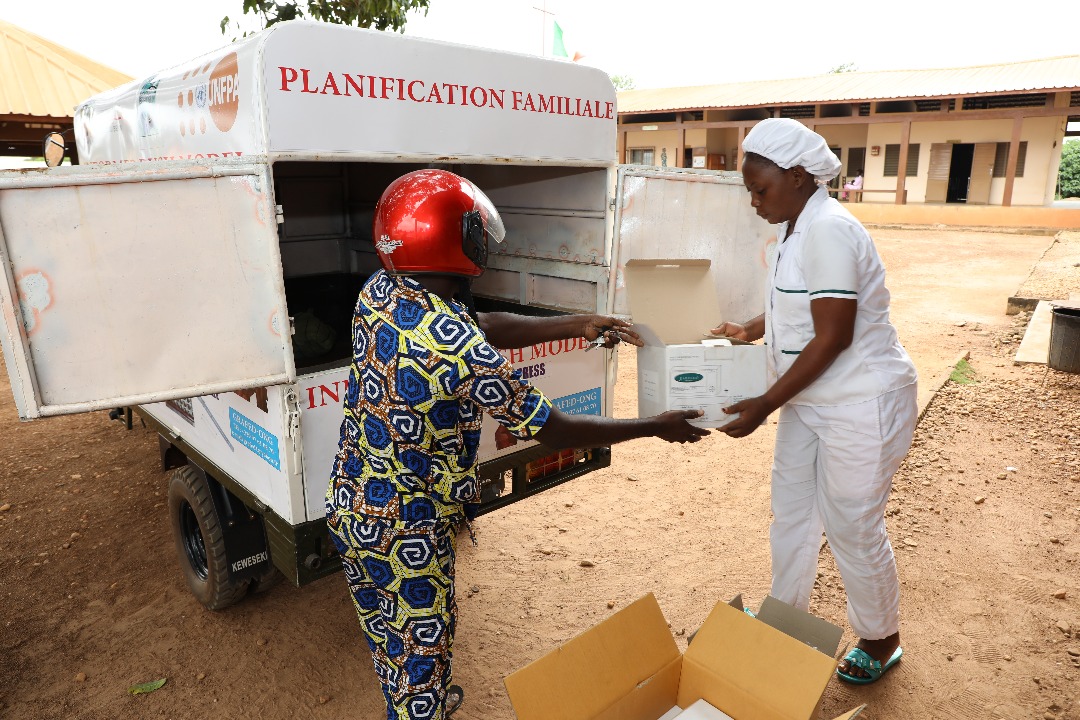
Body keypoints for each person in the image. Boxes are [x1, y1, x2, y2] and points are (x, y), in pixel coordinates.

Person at [327, 168, 710, 719]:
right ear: (449, 240)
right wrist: (654, 425)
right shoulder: (455, 349)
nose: (482, 240)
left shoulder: (382, 291)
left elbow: (479, 324)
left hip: (353, 505)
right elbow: (553, 428)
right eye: (473, 231)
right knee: (421, 672)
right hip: (407, 523)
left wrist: (577, 322)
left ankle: (414, 696)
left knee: (392, 642)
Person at [710, 119, 917, 685]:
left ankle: (881, 638)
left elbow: (833, 335)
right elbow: (800, 308)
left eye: (760, 189)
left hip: (860, 401)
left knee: (852, 523)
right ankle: (784, 617)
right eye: (749, 190)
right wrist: (752, 329)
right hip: (811, 397)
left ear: (798, 177)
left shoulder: (828, 229)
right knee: (794, 511)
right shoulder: (796, 226)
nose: (753, 201)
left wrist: (764, 404)